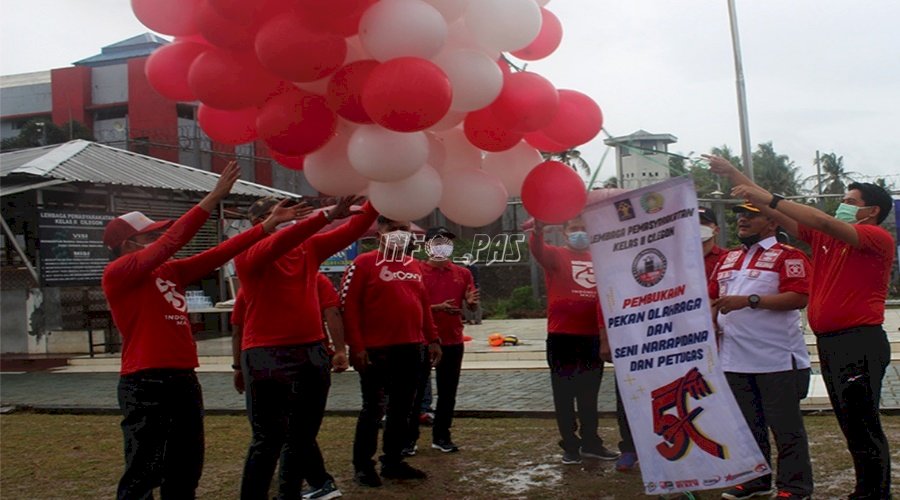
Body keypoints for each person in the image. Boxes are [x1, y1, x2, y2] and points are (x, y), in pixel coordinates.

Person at [102, 162, 309, 499]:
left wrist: (266, 226)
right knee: (144, 468)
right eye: (148, 235)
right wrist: (212, 198)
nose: (156, 238)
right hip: (145, 380)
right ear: (126, 244)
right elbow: (172, 241)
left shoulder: (169, 270)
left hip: (182, 377)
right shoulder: (120, 271)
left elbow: (218, 254)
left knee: (185, 465)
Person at [707, 154, 894, 500]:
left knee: (863, 425)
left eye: (850, 202)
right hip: (830, 343)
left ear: (871, 212)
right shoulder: (825, 242)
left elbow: (816, 220)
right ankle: (863, 491)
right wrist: (734, 174)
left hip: (859, 340)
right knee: (849, 424)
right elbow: (774, 212)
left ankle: (874, 493)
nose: (842, 206)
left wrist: (773, 199)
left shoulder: (874, 238)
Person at [235, 196, 375, 500]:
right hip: (266, 355)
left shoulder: (308, 249)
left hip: (311, 353)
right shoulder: (247, 253)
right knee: (267, 440)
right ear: (260, 224)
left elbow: (354, 229)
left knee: (301, 437)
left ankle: (290, 494)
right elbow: (277, 243)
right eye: (280, 215)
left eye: (292, 215)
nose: (290, 219)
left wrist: (379, 195)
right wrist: (322, 218)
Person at [710, 203, 814, 500]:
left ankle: (795, 487)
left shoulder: (789, 255)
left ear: (772, 221)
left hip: (777, 359)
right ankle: (755, 481)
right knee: (746, 427)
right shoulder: (729, 258)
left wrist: (750, 300)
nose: (742, 219)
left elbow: (799, 297)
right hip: (733, 359)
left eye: (750, 215)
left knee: (786, 429)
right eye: (739, 215)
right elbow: (711, 297)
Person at [341, 216, 442, 487]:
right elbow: (348, 308)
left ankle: (393, 461)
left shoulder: (414, 265)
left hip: (412, 347)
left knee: (403, 409)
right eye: (394, 229)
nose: (400, 234)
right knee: (373, 409)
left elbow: (423, 304)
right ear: (380, 234)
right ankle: (363, 466)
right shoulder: (362, 263)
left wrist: (433, 339)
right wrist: (356, 346)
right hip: (376, 350)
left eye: (405, 229)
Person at [530, 217, 619, 464]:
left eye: (584, 228)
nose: (579, 233)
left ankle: (591, 442)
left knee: (589, 395)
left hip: (592, 337)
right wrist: (538, 230)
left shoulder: (600, 260)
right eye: (574, 229)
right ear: (565, 232)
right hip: (563, 337)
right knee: (564, 394)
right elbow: (537, 248)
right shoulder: (556, 255)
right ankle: (570, 444)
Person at [415, 226, 479, 454]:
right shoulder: (416, 271)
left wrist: (471, 304)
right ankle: (409, 439)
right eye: (437, 241)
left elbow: (470, 303)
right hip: (421, 339)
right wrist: (435, 308)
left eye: (446, 242)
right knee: (415, 390)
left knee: (448, 392)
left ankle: (441, 436)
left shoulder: (462, 273)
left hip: (452, 339)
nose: (442, 246)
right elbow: (411, 305)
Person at [699, 207, 727, 279]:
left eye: (704, 223)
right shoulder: (679, 259)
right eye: (693, 223)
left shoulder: (726, 258)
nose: (699, 226)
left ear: (716, 230)